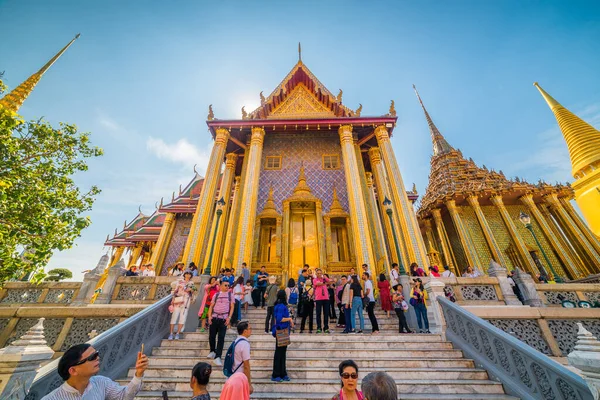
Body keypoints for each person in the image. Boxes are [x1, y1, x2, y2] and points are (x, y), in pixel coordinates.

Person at [41, 343, 148, 400]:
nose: (98, 358)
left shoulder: (101, 383)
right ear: (73, 370)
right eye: (92, 357)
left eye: (97, 354)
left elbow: (123, 396)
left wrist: (138, 374)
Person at [207, 280, 235, 366]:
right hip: (215, 317)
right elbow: (211, 306)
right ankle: (212, 350)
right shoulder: (216, 295)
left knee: (221, 338)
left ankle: (218, 356)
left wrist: (229, 318)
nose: (227, 287)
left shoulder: (231, 295)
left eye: (228, 286)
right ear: (221, 286)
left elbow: (232, 307)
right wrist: (209, 316)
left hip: (223, 318)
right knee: (211, 336)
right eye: (225, 285)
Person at [272, 289, 293, 382]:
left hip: (282, 331)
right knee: (280, 353)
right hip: (281, 331)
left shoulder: (278, 305)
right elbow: (280, 319)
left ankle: (282, 373)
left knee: (281, 353)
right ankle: (277, 374)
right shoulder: (281, 306)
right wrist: (289, 319)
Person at [169, 271, 196, 340]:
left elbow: (193, 292)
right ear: (184, 275)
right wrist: (173, 299)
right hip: (178, 300)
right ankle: (171, 333)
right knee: (174, 316)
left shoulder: (191, 283)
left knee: (182, 317)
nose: (188, 275)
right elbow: (175, 291)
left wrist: (191, 290)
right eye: (187, 274)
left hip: (186, 301)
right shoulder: (180, 282)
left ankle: (178, 333)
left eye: (189, 274)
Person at [232, 321, 253, 394]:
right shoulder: (244, 344)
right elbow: (246, 366)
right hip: (240, 378)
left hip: (233, 375)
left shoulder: (236, 341)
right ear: (245, 331)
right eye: (250, 328)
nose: (251, 330)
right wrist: (249, 384)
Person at [313, 268, 331, 334]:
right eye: (318, 273)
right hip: (318, 298)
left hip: (326, 298)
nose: (319, 274)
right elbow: (318, 284)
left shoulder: (324, 279)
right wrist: (324, 282)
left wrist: (325, 278)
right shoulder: (315, 280)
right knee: (318, 314)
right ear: (316, 274)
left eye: (320, 273)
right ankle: (319, 328)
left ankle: (326, 327)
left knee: (326, 313)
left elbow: (329, 282)